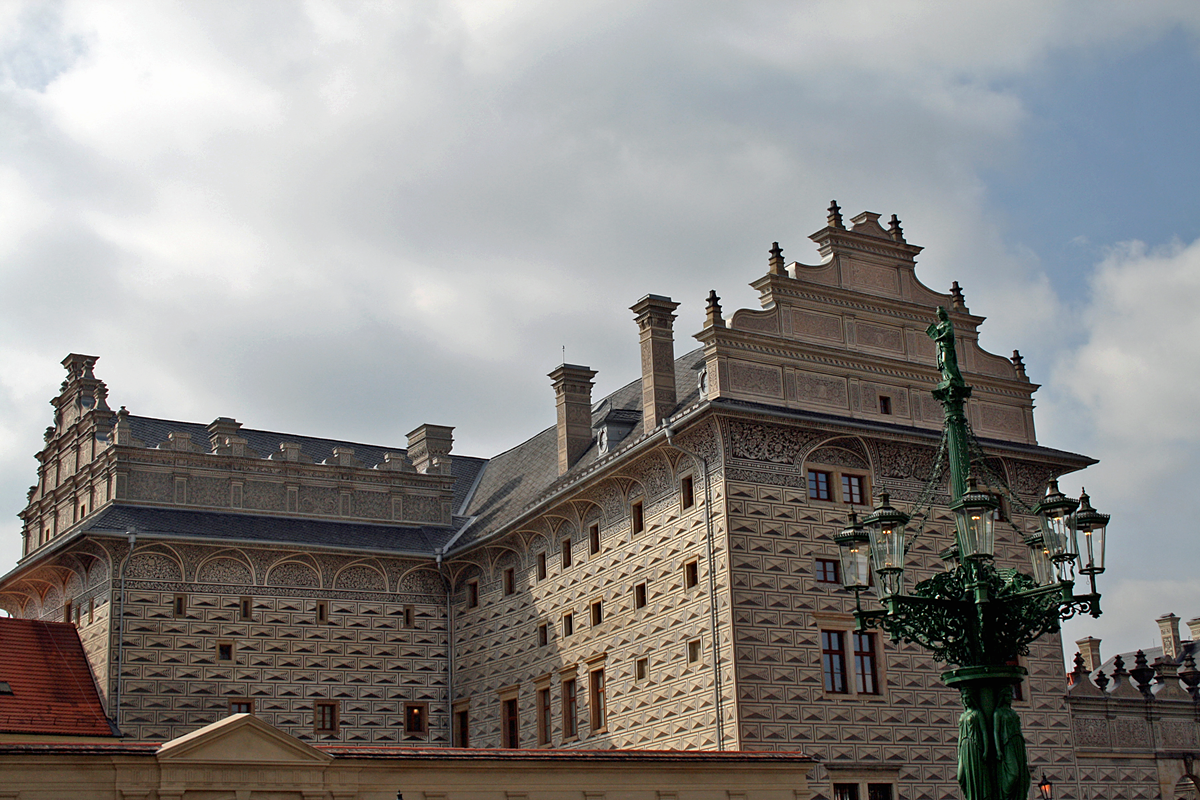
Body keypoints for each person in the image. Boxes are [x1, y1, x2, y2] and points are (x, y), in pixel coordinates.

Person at [994, 689, 1030, 800]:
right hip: (1007, 743)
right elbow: (996, 731)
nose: (1010, 697)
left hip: (1017, 743)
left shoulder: (1012, 713)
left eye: (1011, 695)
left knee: (1023, 774)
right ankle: (1005, 796)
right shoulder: (998, 713)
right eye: (1008, 695)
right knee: (1013, 774)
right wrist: (998, 749)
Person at [957, 691, 989, 800]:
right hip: (964, 747)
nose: (966, 701)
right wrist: (959, 752)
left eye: (968, 698)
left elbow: (984, 731)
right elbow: (961, 735)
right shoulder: (963, 716)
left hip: (974, 745)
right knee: (960, 776)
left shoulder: (977, 714)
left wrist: (986, 749)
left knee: (976, 775)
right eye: (964, 698)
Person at [926, 306, 966, 387]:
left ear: (944, 314)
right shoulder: (940, 325)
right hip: (940, 347)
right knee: (942, 364)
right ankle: (946, 378)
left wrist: (939, 338)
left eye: (940, 314)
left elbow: (949, 333)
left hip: (947, 346)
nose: (939, 316)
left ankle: (952, 377)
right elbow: (937, 333)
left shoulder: (948, 323)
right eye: (938, 315)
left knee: (946, 361)